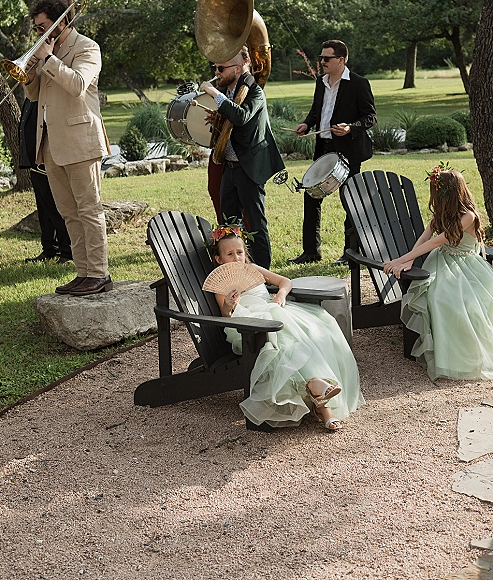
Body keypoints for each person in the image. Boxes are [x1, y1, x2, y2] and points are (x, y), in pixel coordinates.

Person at [209, 224, 364, 429]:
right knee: (288, 340)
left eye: (240, 252)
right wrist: (229, 303)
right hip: (247, 325)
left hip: (273, 312)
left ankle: (319, 392)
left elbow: (284, 281)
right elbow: (226, 315)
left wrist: (281, 295)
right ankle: (323, 401)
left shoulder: (252, 269)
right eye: (230, 254)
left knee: (318, 326)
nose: (237, 258)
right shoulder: (222, 283)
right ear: (219, 259)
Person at [24, 0, 111, 296]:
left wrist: (48, 59)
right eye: (36, 29)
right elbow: (35, 96)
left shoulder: (87, 47)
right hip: (51, 143)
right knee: (68, 212)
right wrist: (30, 71)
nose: (38, 34)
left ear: (60, 22)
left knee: (89, 209)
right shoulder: (47, 50)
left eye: (42, 27)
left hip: (81, 141)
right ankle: (83, 271)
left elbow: (77, 85)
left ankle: (100, 273)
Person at [383, 165, 493, 382]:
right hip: (442, 261)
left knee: (460, 302)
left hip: (466, 267)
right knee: (436, 296)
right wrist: (411, 259)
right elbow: (425, 238)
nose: (434, 196)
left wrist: (398, 260)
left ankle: (464, 354)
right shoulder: (442, 213)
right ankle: (442, 350)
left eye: (437, 191)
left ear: (449, 193)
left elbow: (437, 241)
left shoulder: (468, 216)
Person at [290, 40, 376, 266]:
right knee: (311, 197)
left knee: (350, 202)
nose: (321, 62)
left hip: (348, 152)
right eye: (320, 58)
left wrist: (350, 127)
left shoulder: (358, 83)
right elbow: (316, 111)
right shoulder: (321, 82)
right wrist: (307, 125)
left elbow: (370, 117)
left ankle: (351, 254)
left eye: (326, 58)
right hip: (324, 149)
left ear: (341, 60)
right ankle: (311, 252)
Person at [200, 46, 284, 269]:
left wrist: (213, 93)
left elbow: (242, 117)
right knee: (228, 223)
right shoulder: (231, 92)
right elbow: (231, 121)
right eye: (215, 67)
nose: (216, 72)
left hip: (249, 168)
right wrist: (218, 118)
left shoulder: (254, 91)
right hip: (230, 167)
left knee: (256, 223)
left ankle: (264, 273)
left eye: (221, 68)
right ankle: (233, 268)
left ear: (238, 67)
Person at [19, 98, 72, 264]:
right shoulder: (32, 91)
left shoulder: (49, 92)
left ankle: (67, 252)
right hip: (35, 159)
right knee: (44, 209)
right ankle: (49, 248)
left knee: (57, 207)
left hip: (49, 157)